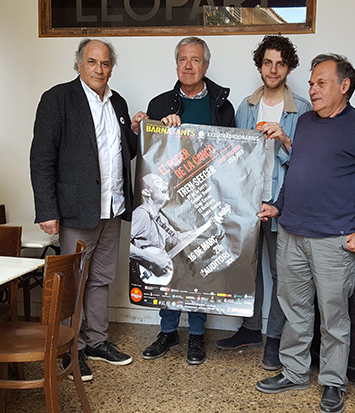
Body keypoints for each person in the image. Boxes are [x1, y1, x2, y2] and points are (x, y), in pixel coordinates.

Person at [255, 54, 355, 413]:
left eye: (320, 83)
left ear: (344, 87)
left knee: (333, 318)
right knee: (295, 311)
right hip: (291, 234)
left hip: (334, 239)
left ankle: (332, 382)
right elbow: (296, 172)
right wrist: (278, 206)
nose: (311, 90)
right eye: (311, 83)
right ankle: (295, 371)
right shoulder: (307, 123)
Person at [30, 38, 146, 382]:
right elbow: (41, 159)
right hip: (76, 211)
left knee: (101, 280)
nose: (99, 69)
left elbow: (125, 153)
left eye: (106, 63)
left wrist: (137, 131)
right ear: (79, 64)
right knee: (73, 283)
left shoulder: (119, 103)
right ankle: (70, 348)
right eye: (93, 62)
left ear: (112, 67)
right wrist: (47, 209)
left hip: (113, 208)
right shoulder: (57, 99)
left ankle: (96, 341)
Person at [136, 36, 235, 365]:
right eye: (182, 59)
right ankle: (167, 330)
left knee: (197, 266)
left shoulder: (221, 105)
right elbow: (150, 152)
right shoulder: (160, 103)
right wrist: (158, 128)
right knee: (170, 262)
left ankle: (195, 335)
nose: (188, 66)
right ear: (176, 64)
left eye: (195, 60)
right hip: (169, 198)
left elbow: (232, 155)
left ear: (206, 65)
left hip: (205, 197)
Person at [215, 35, 311, 372]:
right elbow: (234, 157)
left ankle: (276, 339)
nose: (273, 69)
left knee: (282, 274)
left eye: (280, 64)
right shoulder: (246, 106)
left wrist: (284, 138)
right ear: (260, 66)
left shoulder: (302, 108)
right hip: (248, 203)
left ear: (288, 68)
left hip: (283, 203)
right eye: (268, 62)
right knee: (248, 270)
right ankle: (250, 330)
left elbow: (309, 162)